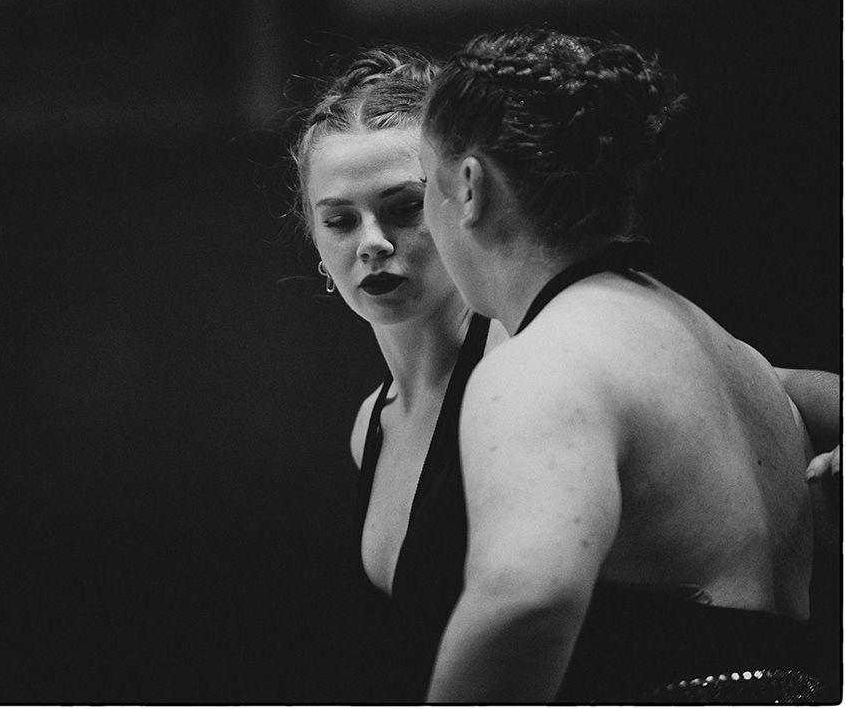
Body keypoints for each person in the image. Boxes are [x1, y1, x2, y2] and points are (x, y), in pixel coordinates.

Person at [290, 43, 840, 703]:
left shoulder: (541, 362)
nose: (373, 242)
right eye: (339, 220)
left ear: (467, 188)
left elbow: (527, 603)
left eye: (413, 201)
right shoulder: (696, 342)